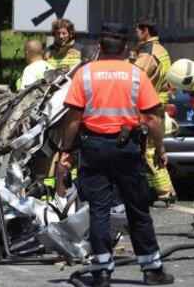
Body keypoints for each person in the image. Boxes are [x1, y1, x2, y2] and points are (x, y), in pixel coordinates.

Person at [57, 22, 174, 287]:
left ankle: (101, 271)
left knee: (98, 210)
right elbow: (153, 120)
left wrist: (65, 151)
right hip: (127, 149)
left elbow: (74, 118)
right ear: (124, 48)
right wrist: (160, 149)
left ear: (99, 46)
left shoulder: (85, 74)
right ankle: (152, 269)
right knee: (137, 208)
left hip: (94, 149)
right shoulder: (136, 75)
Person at [131, 15, 176, 203]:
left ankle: (165, 192)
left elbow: (133, 76)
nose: (135, 33)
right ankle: (153, 190)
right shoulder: (161, 49)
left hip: (150, 105)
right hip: (158, 103)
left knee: (149, 149)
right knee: (148, 149)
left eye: (137, 30)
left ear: (145, 31)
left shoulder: (148, 53)